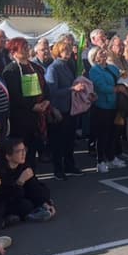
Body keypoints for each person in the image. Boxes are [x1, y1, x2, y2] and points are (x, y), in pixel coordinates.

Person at [2, 38, 50, 169]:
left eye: (27, 47)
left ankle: (32, 177)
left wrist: (46, 101)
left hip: (38, 117)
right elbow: (14, 94)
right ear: (14, 52)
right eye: (23, 48)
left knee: (32, 151)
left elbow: (45, 87)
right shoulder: (10, 71)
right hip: (21, 118)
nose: (27, 49)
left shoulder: (35, 68)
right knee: (21, 152)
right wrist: (32, 106)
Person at [45, 40, 86, 180]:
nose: (68, 53)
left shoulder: (68, 65)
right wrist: (72, 89)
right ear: (58, 52)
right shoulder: (53, 68)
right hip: (59, 109)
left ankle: (69, 165)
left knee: (69, 139)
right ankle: (58, 169)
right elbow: (52, 91)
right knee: (58, 141)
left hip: (70, 107)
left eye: (69, 50)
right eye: (64, 50)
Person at [0, 138, 55, 223]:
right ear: (8, 156)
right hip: (4, 201)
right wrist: (20, 182)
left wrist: (45, 203)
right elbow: (7, 197)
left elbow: (34, 186)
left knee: (43, 191)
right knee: (25, 205)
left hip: (20, 195)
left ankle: (39, 208)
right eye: (19, 151)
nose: (24, 153)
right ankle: (11, 217)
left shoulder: (22, 165)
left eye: (24, 150)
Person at [88, 47, 128, 173]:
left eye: (104, 51)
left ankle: (111, 158)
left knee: (114, 134)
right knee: (103, 135)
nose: (104, 53)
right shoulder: (94, 70)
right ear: (95, 57)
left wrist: (124, 77)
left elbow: (121, 77)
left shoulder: (112, 67)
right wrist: (117, 89)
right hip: (102, 106)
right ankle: (100, 161)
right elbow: (101, 86)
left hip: (115, 105)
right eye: (101, 52)